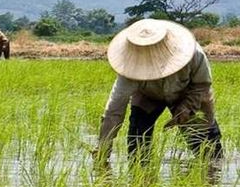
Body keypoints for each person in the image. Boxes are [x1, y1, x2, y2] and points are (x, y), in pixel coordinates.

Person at [92, 19, 223, 166]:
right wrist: (103, 146)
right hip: (147, 97)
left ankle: (211, 178)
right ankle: (141, 181)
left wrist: (186, 107)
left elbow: (202, 85)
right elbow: (114, 110)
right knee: (137, 146)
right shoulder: (129, 68)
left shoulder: (194, 54)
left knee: (209, 151)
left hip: (187, 94)